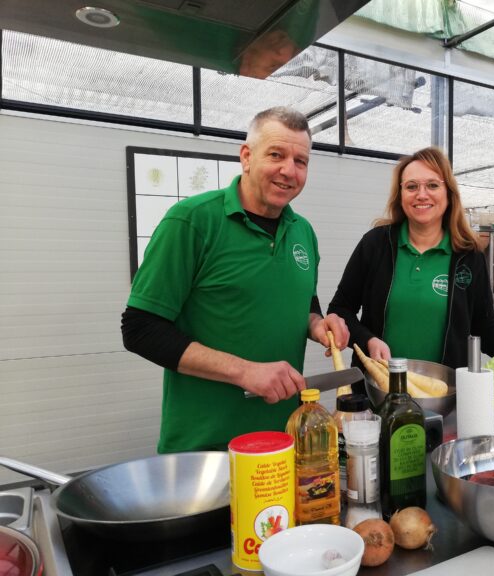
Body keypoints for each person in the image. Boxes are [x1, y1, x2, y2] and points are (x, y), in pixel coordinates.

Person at [122, 106, 349, 453]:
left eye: (300, 161)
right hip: (207, 450)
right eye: (276, 155)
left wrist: (318, 324)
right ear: (246, 156)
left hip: (285, 444)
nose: (289, 170)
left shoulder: (303, 232)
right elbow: (140, 329)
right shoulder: (191, 221)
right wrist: (244, 371)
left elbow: (304, 302)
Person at [328, 146, 494, 371]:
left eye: (433, 185)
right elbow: (340, 309)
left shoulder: (468, 255)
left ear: (448, 193)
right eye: (411, 186)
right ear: (400, 195)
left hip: (445, 389)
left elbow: (484, 326)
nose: (421, 194)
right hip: (378, 385)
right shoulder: (376, 244)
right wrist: (368, 340)